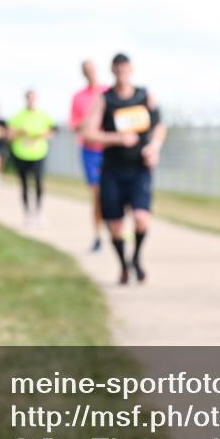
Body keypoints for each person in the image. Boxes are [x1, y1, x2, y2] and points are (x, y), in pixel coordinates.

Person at [83, 53, 167, 285]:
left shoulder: (144, 95)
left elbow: (160, 126)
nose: (122, 72)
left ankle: (136, 260)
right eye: (117, 68)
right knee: (116, 226)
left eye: (125, 67)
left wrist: (154, 147)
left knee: (141, 218)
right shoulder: (105, 99)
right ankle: (123, 265)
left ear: (131, 69)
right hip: (112, 169)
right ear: (112, 70)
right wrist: (117, 138)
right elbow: (88, 133)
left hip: (139, 168)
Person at [71, 60, 110, 252]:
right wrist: (90, 119)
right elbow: (75, 126)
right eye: (86, 71)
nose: (90, 73)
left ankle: (117, 228)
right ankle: (98, 236)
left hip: (109, 149)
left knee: (114, 191)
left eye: (92, 69)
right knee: (97, 194)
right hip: (89, 151)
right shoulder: (78, 97)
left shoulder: (108, 91)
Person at [8, 90, 56, 225]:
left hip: (38, 153)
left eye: (33, 98)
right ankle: (27, 213)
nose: (31, 101)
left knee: (39, 182)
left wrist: (40, 136)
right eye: (29, 98)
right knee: (24, 184)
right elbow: (10, 135)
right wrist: (19, 132)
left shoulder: (43, 115)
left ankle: (38, 211)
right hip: (21, 154)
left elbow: (52, 131)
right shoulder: (18, 116)